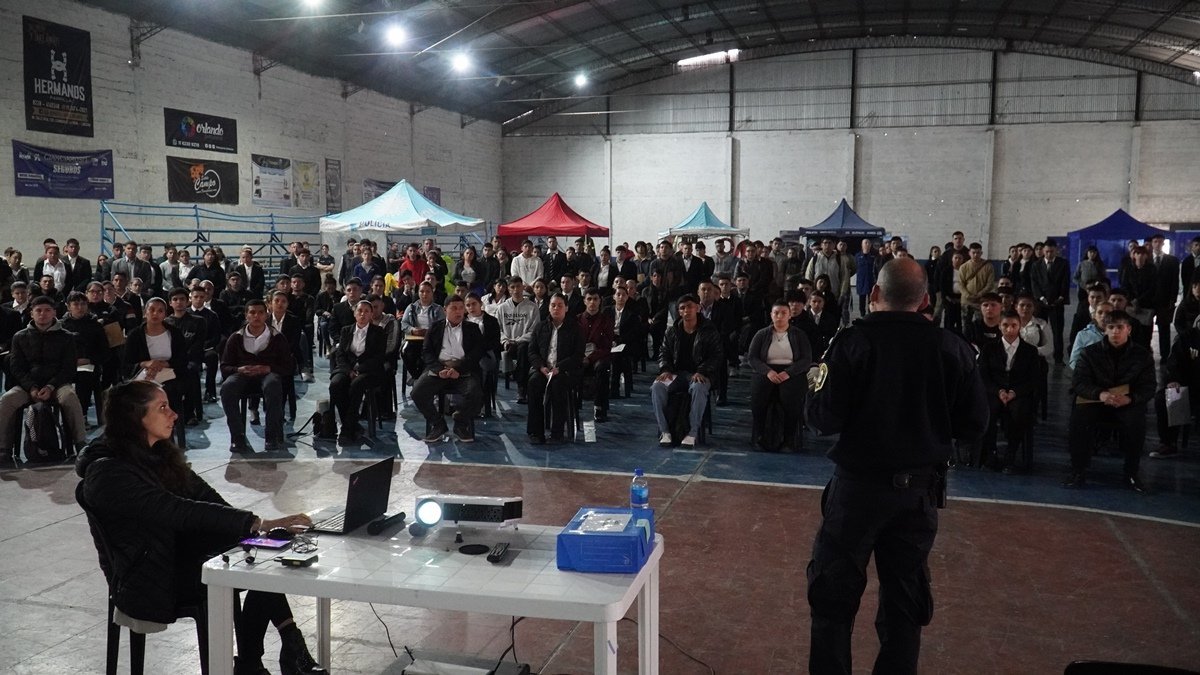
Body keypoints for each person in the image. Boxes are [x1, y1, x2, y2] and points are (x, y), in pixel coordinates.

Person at [805, 257, 989, 675]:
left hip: (857, 492)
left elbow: (821, 418)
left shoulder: (852, 343)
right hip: (918, 494)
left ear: (874, 294)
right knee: (905, 603)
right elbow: (975, 425)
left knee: (833, 598)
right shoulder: (952, 348)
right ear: (925, 301)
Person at [74, 380, 327, 675]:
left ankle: (269, 655)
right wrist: (256, 523)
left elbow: (206, 498)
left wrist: (253, 530)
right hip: (149, 577)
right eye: (162, 407)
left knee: (261, 556)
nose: (174, 414)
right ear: (135, 416)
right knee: (251, 563)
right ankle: (266, 659)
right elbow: (175, 510)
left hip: (176, 556)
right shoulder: (108, 473)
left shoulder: (156, 453)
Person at [1064, 310, 1155, 491]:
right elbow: (1079, 382)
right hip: (1097, 400)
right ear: (1105, 329)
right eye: (1111, 327)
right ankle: (1078, 470)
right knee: (1079, 419)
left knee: (1136, 422)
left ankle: (1131, 473)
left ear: (1128, 329)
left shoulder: (1142, 355)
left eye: (1120, 327)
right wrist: (1100, 394)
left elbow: (1148, 387)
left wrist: (1130, 399)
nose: (1115, 332)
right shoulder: (1089, 353)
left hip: (1126, 402)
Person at [0, 295, 89, 462]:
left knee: (70, 397)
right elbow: (16, 368)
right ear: (31, 313)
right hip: (28, 386)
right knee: (7, 399)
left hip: (57, 384)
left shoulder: (67, 337)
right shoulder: (19, 337)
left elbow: (68, 368)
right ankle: (4, 448)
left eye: (47, 310)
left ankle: (80, 443)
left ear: (54, 312)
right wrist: (31, 387)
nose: (43, 314)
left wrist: (50, 386)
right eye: (38, 311)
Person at [220, 299, 294, 453]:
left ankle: (271, 435)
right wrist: (239, 369)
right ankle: (237, 437)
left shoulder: (277, 337)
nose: (256, 316)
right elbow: (225, 366)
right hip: (242, 374)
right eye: (252, 312)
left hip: (268, 374)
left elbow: (288, 366)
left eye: (260, 312)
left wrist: (268, 368)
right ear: (246, 315)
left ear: (266, 315)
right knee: (227, 388)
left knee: (273, 384)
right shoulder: (235, 338)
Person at [650, 293, 723, 448]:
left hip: (700, 374)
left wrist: (702, 371)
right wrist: (665, 369)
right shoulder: (672, 331)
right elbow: (663, 352)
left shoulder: (709, 330)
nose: (686, 311)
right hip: (676, 374)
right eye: (682, 308)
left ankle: (692, 433)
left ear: (698, 308)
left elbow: (716, 356)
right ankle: (665, 431)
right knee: (657, 387)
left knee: (698, 388)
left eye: (689, 307)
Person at [412, 295, 484, 442]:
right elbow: (426, 352)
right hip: (439, 369)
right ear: (445, 310)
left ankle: (460, 422)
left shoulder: (472, 328)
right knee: (417, 393)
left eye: (461, 308)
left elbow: (477, 353)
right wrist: (439, 369)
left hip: (463, 370)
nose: (458, 312)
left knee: (476, 394)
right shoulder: (435, 327)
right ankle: (438, 424)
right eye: (454, 308)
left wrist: (459, 370)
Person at [978, 310, 1041, 473]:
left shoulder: (1030, 351)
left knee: (1019, 412)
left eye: (1014, 325)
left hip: (1018, 392)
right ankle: (991, 452)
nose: (1009, 329)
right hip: (995, 391)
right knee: (988, 411)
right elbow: (983, 375)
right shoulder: (989, 348)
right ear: (999, 326)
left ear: (1019, 327)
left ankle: (1010, 454)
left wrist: (1014, 392)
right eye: (1005, 325)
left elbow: (1033, 379)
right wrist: (998, 391)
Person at [747, 300, 812, 452]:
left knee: (791, 399)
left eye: (783, 313)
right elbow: (752, 358)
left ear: (789, 316)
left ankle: (789, 439)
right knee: (759, 397)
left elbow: (806, 359)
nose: (779, 316)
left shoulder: (799, 335)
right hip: (766, 370)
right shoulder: (761, 334)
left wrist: (788, 373)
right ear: (771, 315)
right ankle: (759, 437)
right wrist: (768, 371)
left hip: (791, 372)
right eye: (776, 313)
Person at [123, 297, 188, 446]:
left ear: (165, 314)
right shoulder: (135, 335)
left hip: (170, 375)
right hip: (144, 375)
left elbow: (183, 360)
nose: (155, 314)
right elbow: (126, 365)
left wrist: (163, 364)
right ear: (145, 312)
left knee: (164, 393)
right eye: (152, 310)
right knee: (136, 395)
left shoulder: (174, 333)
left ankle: (166, 438)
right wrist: (146, 364)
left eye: (160, 311)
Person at [526, 294, 584, 444]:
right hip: (543, 369)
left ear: (566, 308)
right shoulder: (540, 327)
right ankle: (536, 432)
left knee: (558, 386)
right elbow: (532, 351)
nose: (556, 308)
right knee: (534, 383)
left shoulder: (575, 329)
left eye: (560, 305)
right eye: (553, 305)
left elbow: (578, 356)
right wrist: (541, 366)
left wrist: (560, 367)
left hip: (564, 371)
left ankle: (557, 432)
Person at [329, 299, 385, 444]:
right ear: (354, 313)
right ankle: (352, 424)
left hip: (369, 370)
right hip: (347, 368)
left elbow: (379, 357)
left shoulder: (378, 332)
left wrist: (360, 369)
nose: (362, 314)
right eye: (360, 311)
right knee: (335, 385)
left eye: (367, 311)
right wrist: (349, 371)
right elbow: (340, 354)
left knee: (356, 385)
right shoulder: (346, 330)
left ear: (371, 314)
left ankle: (347, 430)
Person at [1152, 317, 1200, 459]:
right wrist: (1173, 380)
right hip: (1190, 386)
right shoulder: (1188, 337)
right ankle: (1168, 443)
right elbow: (1174, 363)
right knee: (1167, 396)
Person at [496, 277, 540, 403]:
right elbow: (498, 329)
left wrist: (518, 340)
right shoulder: (502, 308)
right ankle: (518, 379)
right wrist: (505, 341)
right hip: (507, 344)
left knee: (523, 348)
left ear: (523, 287)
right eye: (512, 287)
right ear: (509, 290)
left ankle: (522, 389)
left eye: (518, 286)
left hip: (524, 344)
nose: (516, 290)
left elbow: (534, 330)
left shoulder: (532, 307)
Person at [1030, 237, 1071, 364]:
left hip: (1057, 302)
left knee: (1057, 331)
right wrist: (1041, 297)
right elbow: (1034, 283)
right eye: (1047, 251)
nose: (1049, 254)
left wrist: (1061, 297)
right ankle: (1039, 356)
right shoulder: (1036, 265)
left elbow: (1065, 282)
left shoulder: (1063, 263)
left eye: (1051, 251)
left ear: (1056, 251)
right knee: (1039, 330)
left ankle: (1058, 358)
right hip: (1041, 303)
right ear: (1043, 251)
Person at [578, 288, 614, 422]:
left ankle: (599, 406)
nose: (592, 302)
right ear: (584, 301)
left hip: (598, 357)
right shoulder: (577, 320)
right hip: (579, 356)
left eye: (595, 299)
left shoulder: (606, 320)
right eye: (589, 299)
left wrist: (590, 358)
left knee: (602, 367)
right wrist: (581, 357)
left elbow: (607, 347)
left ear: (600, 301)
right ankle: (571, 405)